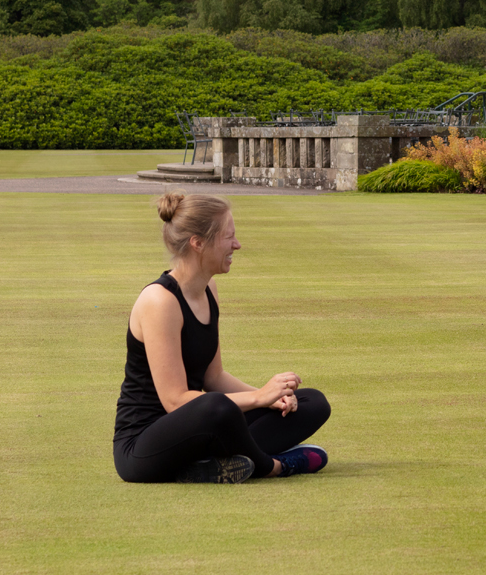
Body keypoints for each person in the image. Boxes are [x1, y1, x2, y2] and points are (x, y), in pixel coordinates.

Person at [113, 193, 333, 484]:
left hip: (199, 429)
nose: (237, 245)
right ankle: (273, 466)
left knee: (311, 402)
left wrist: (271, 400)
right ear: (198, 243)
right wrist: (257, 397)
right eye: (228, 237)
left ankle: (209, 465)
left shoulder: (208, 289)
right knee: (216, 407)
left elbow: (213, 377)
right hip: (143, 447)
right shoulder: (159, 301)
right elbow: (176, 402)